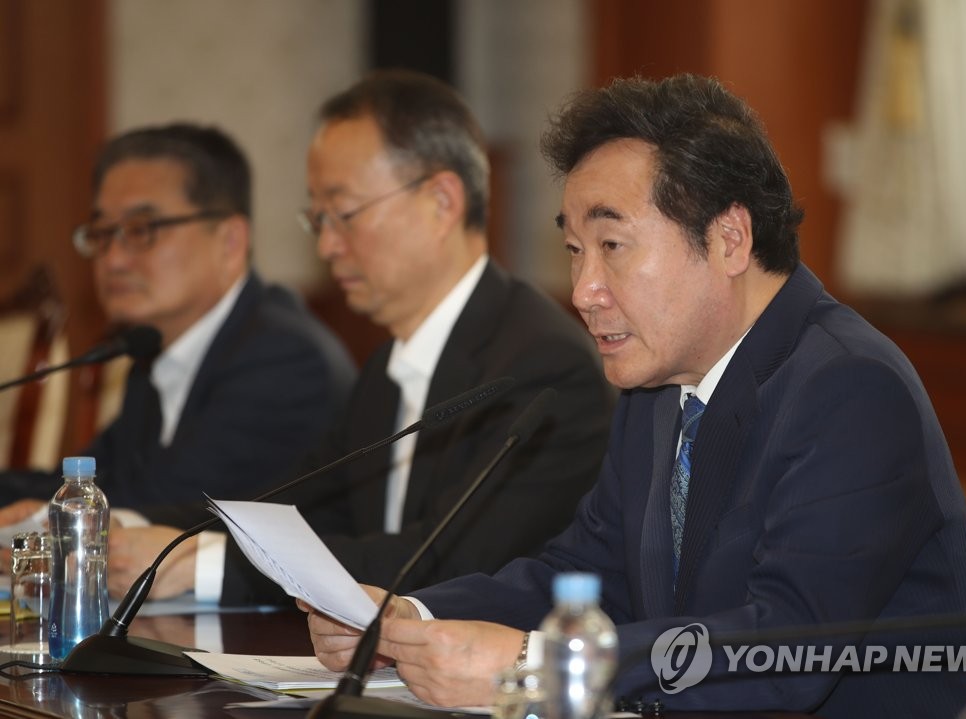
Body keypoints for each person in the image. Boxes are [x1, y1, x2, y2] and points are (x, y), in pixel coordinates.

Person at [302, 74, 966, 717]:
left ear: (729, 238)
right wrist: (411, 618)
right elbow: (587, 575)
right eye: (575, 251)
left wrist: (542, 665)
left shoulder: (849, 387)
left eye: (612, 244)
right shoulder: (658, 389)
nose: (583, 292)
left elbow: (789, 645)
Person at [105, 70, 613, 605]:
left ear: (441, 202)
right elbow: (295, 509)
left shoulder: (540, 366)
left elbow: (446, 564)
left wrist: (201, 565)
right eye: (318, 219)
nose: (327, 246)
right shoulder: (385, 368)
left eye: (344, 214)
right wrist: (129, 527)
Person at [0, 123, 356, 529]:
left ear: (230, 242)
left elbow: (161, 507)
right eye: (102, 233)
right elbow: (87, 485)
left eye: (141, 230)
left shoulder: (285, 360)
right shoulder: (157, 352)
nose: (113, 259)